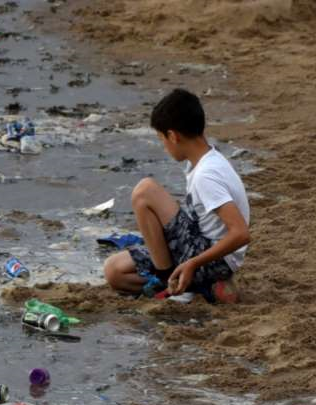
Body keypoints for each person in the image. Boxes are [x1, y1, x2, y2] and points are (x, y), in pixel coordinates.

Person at [103, 89, 251, 303]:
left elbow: (241, 234)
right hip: (200, 249)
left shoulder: (206, 175)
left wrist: (192, 264)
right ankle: (200, 287)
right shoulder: (207, 159)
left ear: (173, 136)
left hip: (212, 260)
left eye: (162, 139)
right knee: (114, 270)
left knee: (144, 191)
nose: (164, 146)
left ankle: (174, 285)